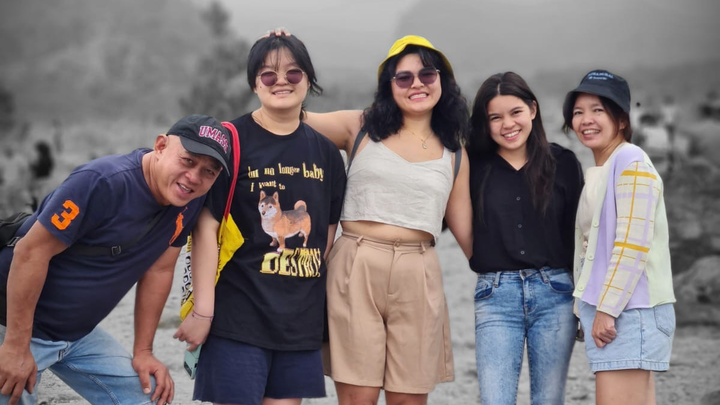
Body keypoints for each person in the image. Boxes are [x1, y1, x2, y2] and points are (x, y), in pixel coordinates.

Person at [0, 114, 231, 405]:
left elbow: (159, 270)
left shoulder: (190, 200)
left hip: (77, 336)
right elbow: (30, 253)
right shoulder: (101, 182)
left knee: (149, 396)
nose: (194, 177)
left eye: (209, 171)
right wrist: (15, 346)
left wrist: (144, 352)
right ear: (160, 146)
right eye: (187, 161)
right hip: (13, 323)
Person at [173, 33, 346, 405]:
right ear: (254, 83)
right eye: (268, 74)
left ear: (308, 80)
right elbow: (206, 229)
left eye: (293, 72)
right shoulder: (231, 141)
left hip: (299, 325)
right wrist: (203, 311)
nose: (281, 81)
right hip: (238, 316)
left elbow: (325, 236)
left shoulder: (328, 154)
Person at [303, 35, 472, 405]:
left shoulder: (456, 153)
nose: (416, 84)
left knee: (408, 399)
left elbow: (471, 240)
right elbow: (288, 116)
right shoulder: (360, 126)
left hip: (419, 271)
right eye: (404, 77)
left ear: (442, 80)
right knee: (358, 397)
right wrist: (281, 55)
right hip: (356, 265)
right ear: (388, 85)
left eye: (427, 75)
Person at [466, 72, 583, 405]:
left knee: (549, 399)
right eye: (495, 117)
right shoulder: (472, 167)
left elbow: (580, 236)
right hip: (495, 296)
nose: (508, 124)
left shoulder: (563, 163)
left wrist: (585, 301)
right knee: (495, 400)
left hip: (556, 293)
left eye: (515, 112)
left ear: (532, 109)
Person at [563, 70, 676, 405]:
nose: (586, 119)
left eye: (598, 110)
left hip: (630, 312)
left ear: (622, 120)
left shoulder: (630, 160)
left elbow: (632, 243)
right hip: (622, 311)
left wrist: (606, 310)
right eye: (578, 112)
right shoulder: (606, 167)